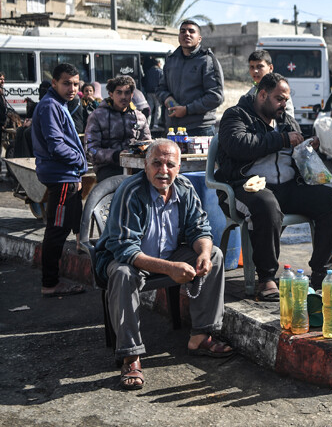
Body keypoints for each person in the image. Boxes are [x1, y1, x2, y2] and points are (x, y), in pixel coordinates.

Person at [93, 138, 232, 391]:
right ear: (145, 165)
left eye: (170, 164)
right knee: (123, 275)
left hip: (169, 253)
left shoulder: (185, 188)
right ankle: (130, 356)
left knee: (214, 255)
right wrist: (170, 269)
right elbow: (125, 249)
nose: (163, 170)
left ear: (179, 167)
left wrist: (203, 252)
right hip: (126, 260)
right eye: (156, 163)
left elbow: (200, 228)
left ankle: (200, 336)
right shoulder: (131, 191)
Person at [215, 72, 332, 297]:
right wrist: (282, 140)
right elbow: (238, 145)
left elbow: (297, 150)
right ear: (262, 95)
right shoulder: (236, 115)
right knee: (266, 204)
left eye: (286, 99)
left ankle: (321, 273)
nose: (284, 104)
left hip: (287, 186)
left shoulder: (286, 120)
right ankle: (266, 278)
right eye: (279, 99)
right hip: (246, 187)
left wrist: (307, 146)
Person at [31, 63, 88, 298]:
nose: (72, 88)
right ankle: (50, 283)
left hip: (67, 175)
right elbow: (56, 145)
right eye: (66, 83)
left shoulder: (59, 104)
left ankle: (53, 280)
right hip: (61, 177)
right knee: (56, 230)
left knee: (66, 226)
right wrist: (80, 162)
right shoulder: (50, 106)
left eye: (75, 84)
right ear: (54, 83)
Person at [157, 20, 224, 136]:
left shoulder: (207, 61)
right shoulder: (171, 60)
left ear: (199, 38)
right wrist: (167, 99)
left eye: (191, 31)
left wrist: (187, 110)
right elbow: (160, 89)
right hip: (173, 129)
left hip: (200, 129)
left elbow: (216, 96)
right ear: (179, 36)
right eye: (182, 31)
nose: (186, 34)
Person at [85, 75, 151, 182]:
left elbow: (147, 143)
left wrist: (141, 150)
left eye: (127, 93)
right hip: (108, 167)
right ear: (111, 94)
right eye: (119, 92)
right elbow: (90, 150)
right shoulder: (97, 116)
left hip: (136, 166)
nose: (123, 97)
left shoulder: (140, 117)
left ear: (132, 95)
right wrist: (115, 155)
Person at [246, 50, 294, 116]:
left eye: (259, 66)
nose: (255, 71)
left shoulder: (279, 90)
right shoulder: (251, 93)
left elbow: (289, 117)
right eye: (252, 67)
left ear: (270, 68)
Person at [143, 58, 164, 129]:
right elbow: (162, 82)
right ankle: (155, 124)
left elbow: (145, 81)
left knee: (150, 109)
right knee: (158, 108)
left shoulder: (148, 71)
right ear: (158, 64)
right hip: (157, 93)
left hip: (149, 92)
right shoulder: (160, 72)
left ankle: (147, 124)